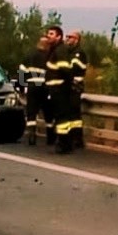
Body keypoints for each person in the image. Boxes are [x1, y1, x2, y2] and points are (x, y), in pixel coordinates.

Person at [44, 25, 74, 154]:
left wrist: (66, 84)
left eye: (51, 34)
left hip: (59, 89)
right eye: (48, 34)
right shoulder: (54, 50)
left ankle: (63, 144)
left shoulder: (60, 51)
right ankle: (65, 142)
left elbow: (65, 70)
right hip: (55, 89)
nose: (48, 36)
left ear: (58, 36)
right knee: (60, 117)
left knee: (62, 118)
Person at [19, 36, 53, 146]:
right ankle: (51, 137)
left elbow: (21, 71)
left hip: (32, 85)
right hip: (45, 86)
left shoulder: (30, 55)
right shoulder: (49, 57)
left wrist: (22, 87)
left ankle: (32, 136)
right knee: (48, 111)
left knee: (31, 112)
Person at [65, 30, 89, 149]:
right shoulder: (68, 53)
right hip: (68, 86)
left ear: (76, 39)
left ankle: (77, 139)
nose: (67, 39)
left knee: (74, 113)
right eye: (67, 37)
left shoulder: (79, 53)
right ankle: (71, 137)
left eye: (70, 37)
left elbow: (74, 68)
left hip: (76, 85)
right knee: (69, 113)